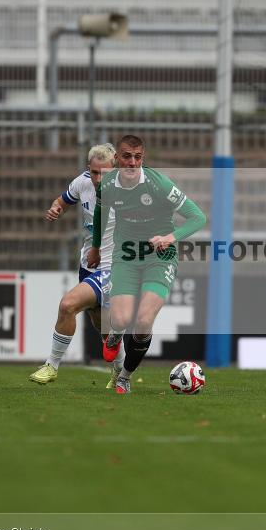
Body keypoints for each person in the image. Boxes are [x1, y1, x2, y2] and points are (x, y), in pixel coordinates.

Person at [87, 135, 206, 394]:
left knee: (143, 321)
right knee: (119, 318)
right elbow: (99, 214)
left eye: (138, 157)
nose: (132, 163)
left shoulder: (158, 184)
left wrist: (170, 237)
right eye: (127, 157)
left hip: (159, 257)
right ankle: (116, 332)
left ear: (143, 158)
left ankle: (124, 378)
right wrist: (96, 247)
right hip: (126, 256)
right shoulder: (107, 184)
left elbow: (198, 217)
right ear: (117, 159)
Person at [29, 143, 125, 387]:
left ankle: (51, 365)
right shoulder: (81, 183)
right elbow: (62, 200)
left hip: (112, 267)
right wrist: (56, 208)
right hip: (88, 265)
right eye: (94, 172)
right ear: (88, 169)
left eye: (105, 173)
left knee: (68, 304)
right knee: (101, 325)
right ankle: (122, 373)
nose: (98, 178)